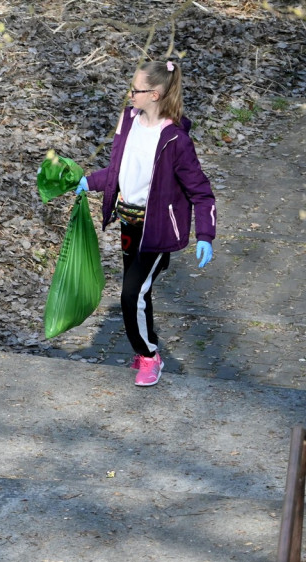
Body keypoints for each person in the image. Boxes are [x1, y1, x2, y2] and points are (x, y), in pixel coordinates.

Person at [79, 59, 216, 386]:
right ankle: (145, 348)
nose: (130, 94)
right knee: (140, 292)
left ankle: (149, 356)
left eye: (136, 90)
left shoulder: (176, 141)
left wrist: (205, 235)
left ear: (154, 95)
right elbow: (119, 171)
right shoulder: (128, 121)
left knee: (130, 296)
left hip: (157, 231)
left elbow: (202, 191)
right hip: (130, 223)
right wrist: (89, 181)